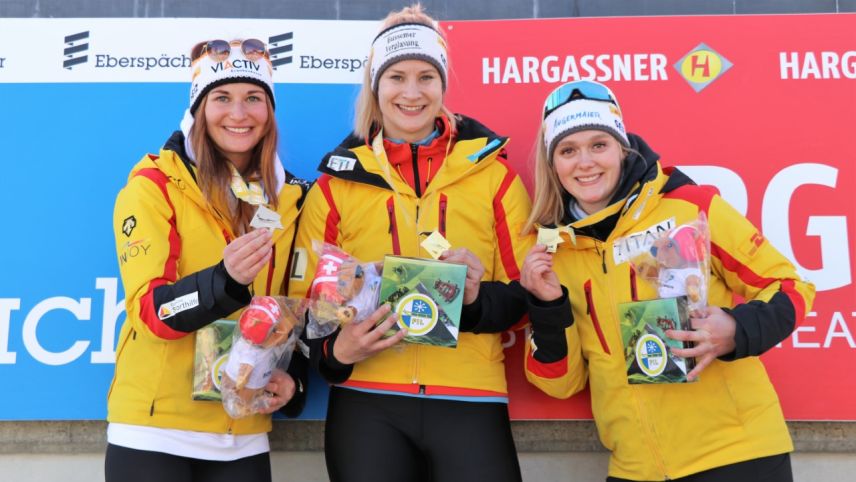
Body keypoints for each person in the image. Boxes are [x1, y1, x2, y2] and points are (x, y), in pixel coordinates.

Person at [519, 80, 815, 481]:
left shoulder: (690, 206)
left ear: (621, 148)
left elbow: (791, 286)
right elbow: (561, 384)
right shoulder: (556, 254)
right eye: (568, 150)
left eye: (599, 145)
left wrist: (735, 330)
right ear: (553, 164)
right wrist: (549, 308)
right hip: (636, 468)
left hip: (735, 455)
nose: (585, 162)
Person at [287, 5, 531, 482]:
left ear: (444, 85)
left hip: (470, 399)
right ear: (376, 86)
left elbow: (529, 298)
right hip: (366, 405)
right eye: (397, 76)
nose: (412, 92)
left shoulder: (494, 176)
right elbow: (302, 312)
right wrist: (338, 353)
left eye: (426, 76)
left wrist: (479, 300)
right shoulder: (336, 186)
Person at [105, 38, 310, 482]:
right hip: (154, 434)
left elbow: (295, 311)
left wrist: (293, 382)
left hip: (245, 432)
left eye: (253, 98)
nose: (239, 114)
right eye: (222, 98)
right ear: (199, 109)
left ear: (269, 111)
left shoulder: (292, 198)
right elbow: (151, 311)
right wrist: (225, 279)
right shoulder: (153, 186)